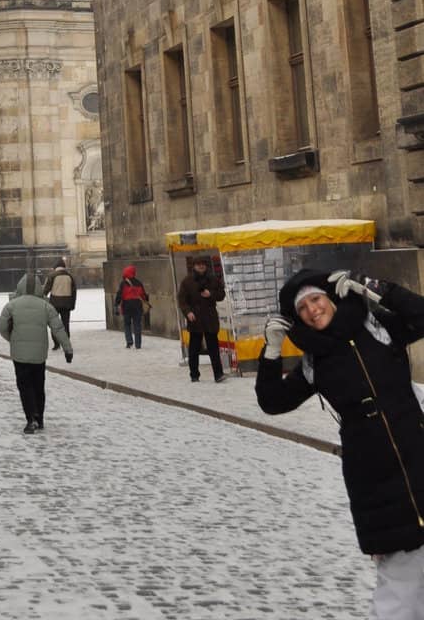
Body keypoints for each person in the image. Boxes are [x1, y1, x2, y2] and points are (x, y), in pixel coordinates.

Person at [257, 269, 424, 618]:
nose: (312, 310)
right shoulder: (314, 361)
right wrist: (271, 352)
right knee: (400, 583)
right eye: (302, 308)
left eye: (316, 299)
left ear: (331, 298)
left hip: (418, 450)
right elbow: (273, 401)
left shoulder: (377, 328)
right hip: (375, 477)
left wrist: (377, 287)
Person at [0, 271, 73, 434]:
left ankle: (30, 417)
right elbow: (58, 328)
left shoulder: (12, 305)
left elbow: (2, 326)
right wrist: (67, 349)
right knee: (39, 385)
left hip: (19, 354)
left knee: (24, 386)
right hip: (39, 355)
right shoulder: (46, 306)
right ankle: (40, 418)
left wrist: (12, 339)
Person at [177, 254, 226, 383]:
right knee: (194, 348)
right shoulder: (187, 281)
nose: (201, 266)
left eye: (203, 264)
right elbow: (182, 300)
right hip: (195, 318)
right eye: (198, 265)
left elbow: (221, 294)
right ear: (194, 266)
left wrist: (211, 294)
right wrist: (188, 312)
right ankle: (194, 374)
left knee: (213, 347)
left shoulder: (213, 279)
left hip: (210, 316)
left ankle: (218, 374)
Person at [114, 265, 149, 349]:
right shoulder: (139, 282)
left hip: (127, 306)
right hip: (137, 306)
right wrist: (145, 300)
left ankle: (129, 341)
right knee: (137, 325)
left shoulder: (123, 283)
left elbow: (119, 295)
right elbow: (143, 295)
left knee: (127, 324)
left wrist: (116, 303)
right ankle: (138, 344)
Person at [45, 258, 77, 350]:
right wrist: (72, 304)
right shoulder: (70, 276)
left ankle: (56, 343)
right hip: (67, 303)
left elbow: (46, 290)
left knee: (54, 324)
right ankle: (66, 343)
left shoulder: (52, 276)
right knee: (65, 324)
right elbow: (74, 292)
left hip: (55, 303)